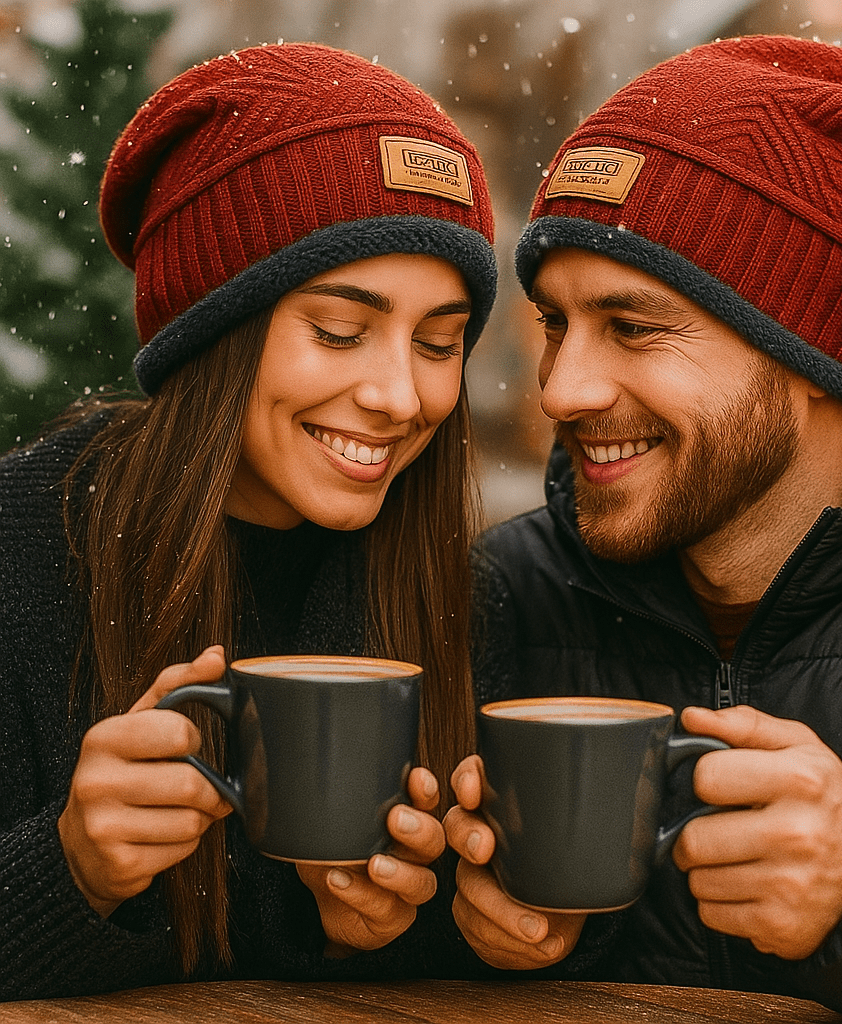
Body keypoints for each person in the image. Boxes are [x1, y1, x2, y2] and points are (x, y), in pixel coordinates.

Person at [445, 34, 842, 1023]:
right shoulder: (503, 592)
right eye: (554, 323)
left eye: (632, 327)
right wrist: (475, 927)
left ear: (812, 349)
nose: (562, 388)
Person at [0, 43, 498, 1000]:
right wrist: (69, 872)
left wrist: (370, 936)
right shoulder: (21, 549)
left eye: (440, 343)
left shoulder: (463, 591)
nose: (400, 397)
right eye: (340, 332)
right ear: (213, 328)